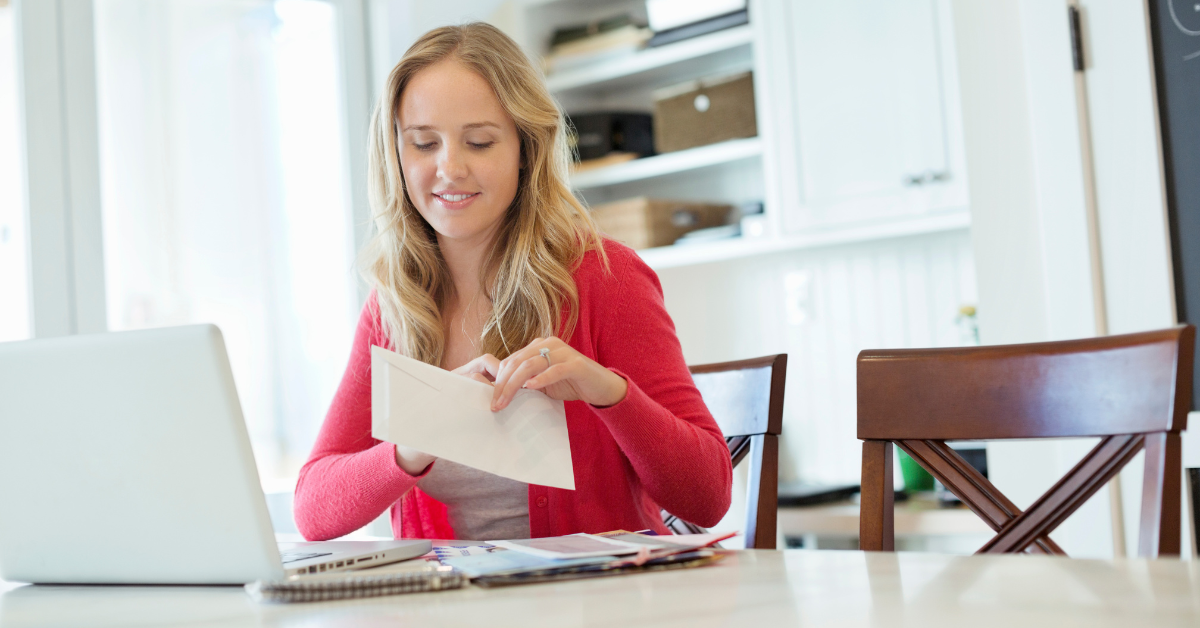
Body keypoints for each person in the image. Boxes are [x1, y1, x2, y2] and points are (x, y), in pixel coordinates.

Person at [293, 23, 732, 542]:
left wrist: (607, 391)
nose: (449, 167)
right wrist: (412, 445)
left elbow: (707, 496)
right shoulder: (394, 308)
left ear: (526, 148)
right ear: (396, 155)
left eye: (478, 142)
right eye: (423, 143)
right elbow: (312, 510)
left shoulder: (603, 278)